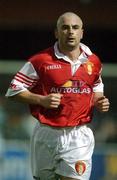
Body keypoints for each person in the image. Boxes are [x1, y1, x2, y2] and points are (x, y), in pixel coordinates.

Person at [6, 12, 110, 180]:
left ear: (82, 32)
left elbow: (97, 83)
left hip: (78, 136)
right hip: (46, 134)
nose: (70, 32)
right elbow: (13, 90)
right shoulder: (40, 61)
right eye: (65, 27)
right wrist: (41, 100)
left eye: (75, 28)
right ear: (56, 32)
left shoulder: (94, 61)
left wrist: (99, 99)